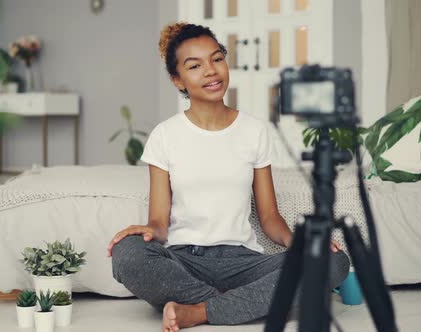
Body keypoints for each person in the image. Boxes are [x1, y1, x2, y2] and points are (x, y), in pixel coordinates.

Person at [108, 22, 350, 332]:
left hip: (243, 262)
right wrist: (144, 231)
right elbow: (159, 222)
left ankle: (198, 311)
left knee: (334, 262)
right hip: (185, 261)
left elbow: (269, 216)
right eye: (195, 66)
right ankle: (239, 304)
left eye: (217, 58)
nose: (210, 71)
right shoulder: (165, 136)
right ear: (178, 80)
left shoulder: (255, 131)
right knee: (127, 253)